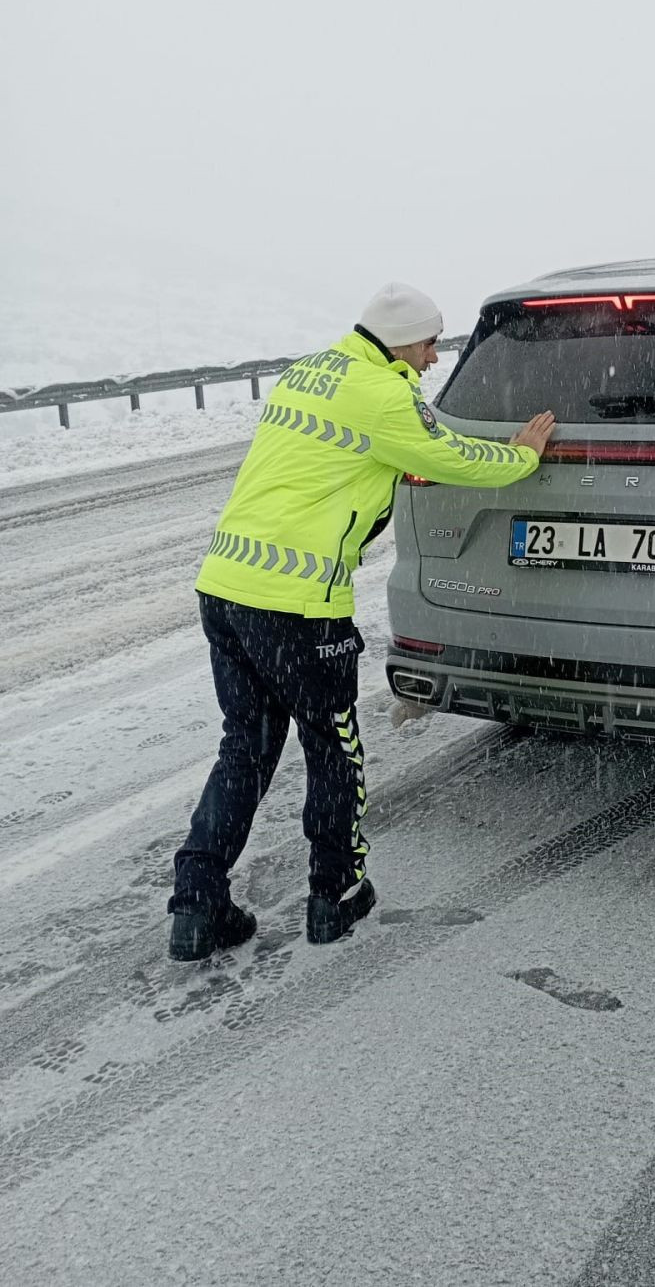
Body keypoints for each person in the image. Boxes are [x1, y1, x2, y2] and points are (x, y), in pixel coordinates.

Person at [168, 282, 555, 960]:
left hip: (225, 586)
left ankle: (197, 909)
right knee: (332, 746)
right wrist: (522, 455)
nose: (435, 357)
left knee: (245, 750)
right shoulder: (384, 394)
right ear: (401, 337)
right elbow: (449, 456)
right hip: (297, 606)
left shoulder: (311, 370)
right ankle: (335, 895)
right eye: (431, 342)